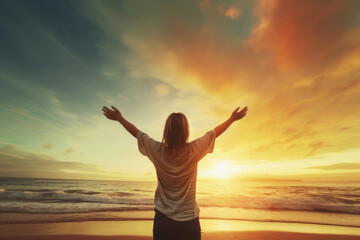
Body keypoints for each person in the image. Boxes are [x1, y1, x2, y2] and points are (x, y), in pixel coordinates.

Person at [102, 105, 248, 240]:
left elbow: (138, 133)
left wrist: (120, 118)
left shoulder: (157, 150)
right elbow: (214, 133)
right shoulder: (194, 150)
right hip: (189, 221)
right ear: (186, 132)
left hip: (163, 220)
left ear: (166, 131)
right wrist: (232, 119)